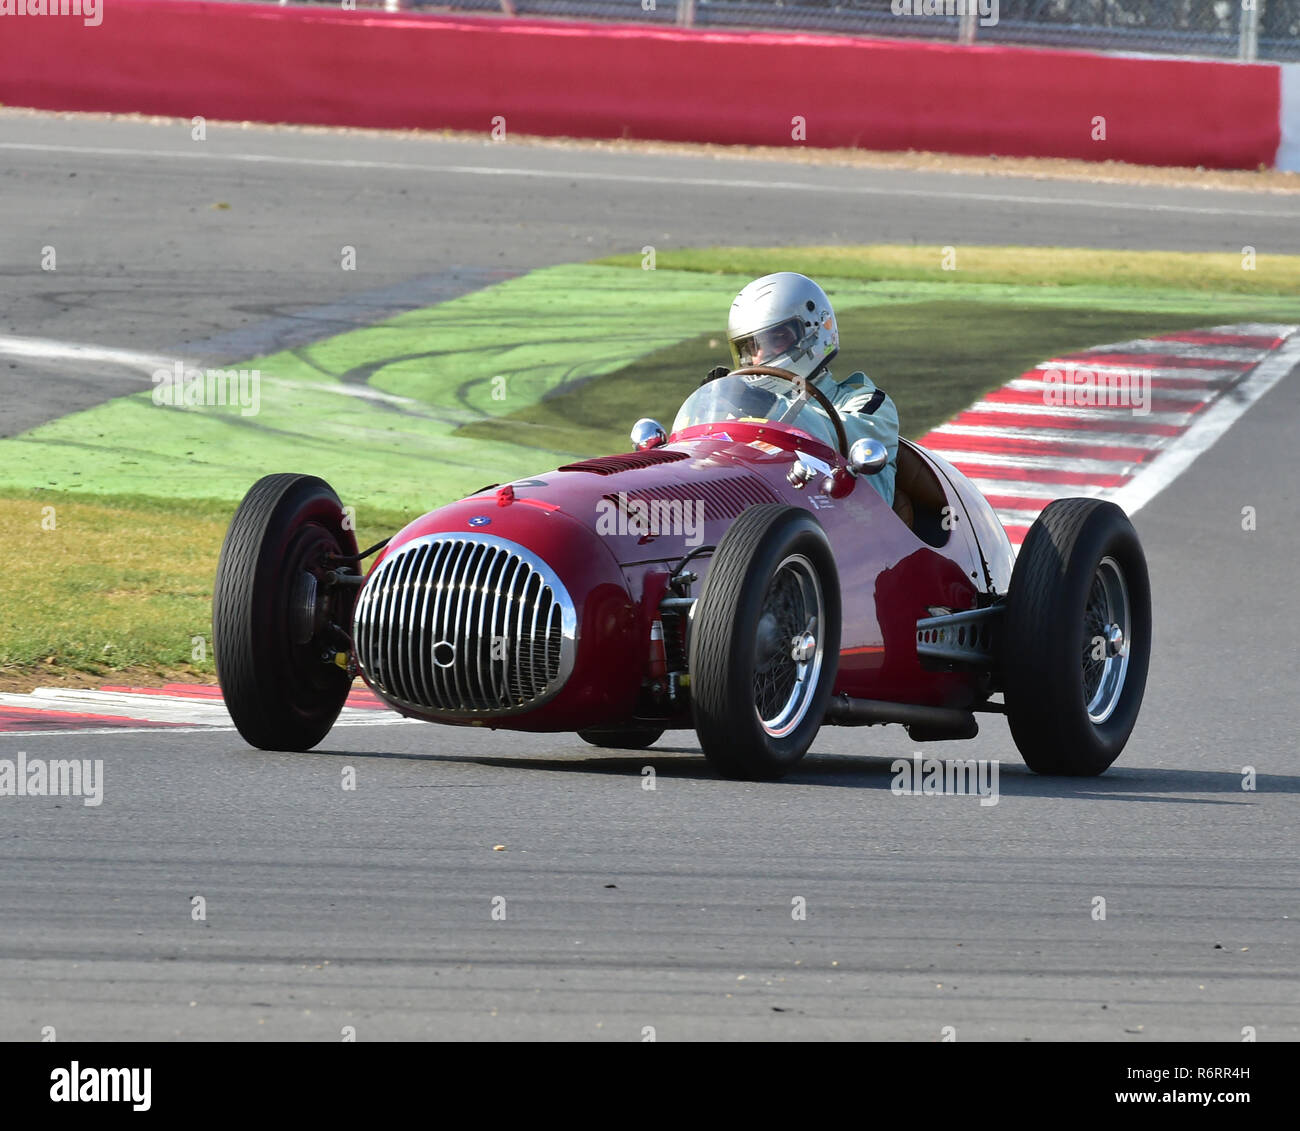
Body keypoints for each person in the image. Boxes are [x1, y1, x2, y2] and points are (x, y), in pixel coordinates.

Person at [704, 272, 899, 506]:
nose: (758, 357)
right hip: (761, 526)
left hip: (855, 531)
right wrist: (710, 408)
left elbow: (837, 438)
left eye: (774, 341)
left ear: (814, 332)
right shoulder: (743, 413)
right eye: (749, 348)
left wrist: (766, 405)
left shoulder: (867, 402)